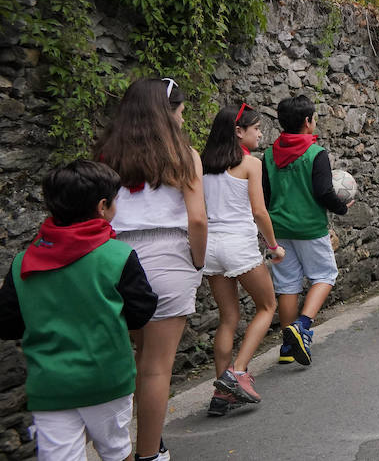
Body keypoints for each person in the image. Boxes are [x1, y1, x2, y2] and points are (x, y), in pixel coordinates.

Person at [0, 160, 157, 461]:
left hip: (50, 385)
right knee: (116, 451)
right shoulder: (118, 256)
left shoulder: (24, 262)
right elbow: (141, 311)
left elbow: (6, 322)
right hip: (107, 380)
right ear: (102, 206)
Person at [95, 77, 207, 461]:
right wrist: (196, 261)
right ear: (167, 112)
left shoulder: (107, 155)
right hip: (168, 254)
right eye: (179, 110)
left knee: (137, 357)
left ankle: (127, 446)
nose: (181, 117)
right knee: (158, 368)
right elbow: (199, 221)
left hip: (115, 257)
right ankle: (148, 454)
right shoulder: (185, 155)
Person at [200, 103, 284, 416]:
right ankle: (238, 371)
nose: (261, 133)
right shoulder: (251, 164)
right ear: (239, 132)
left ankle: (220, 393)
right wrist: (274, 245)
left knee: (228, 318)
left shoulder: (202, 164)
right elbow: (259, 212)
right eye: (256, 128)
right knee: (267, 306)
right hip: (239, 245)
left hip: (211, 247)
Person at [263, 95, 351, 367]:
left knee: (287, 285)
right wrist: (343, 207)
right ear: (307, 122)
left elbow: (264, 196)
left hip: (278, 229)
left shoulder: (267, 154)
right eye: (314, 118)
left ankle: (288, 347)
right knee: (325, 275)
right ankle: (302, 326)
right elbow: (324, 191)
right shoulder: (316, 153)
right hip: (310, 228)